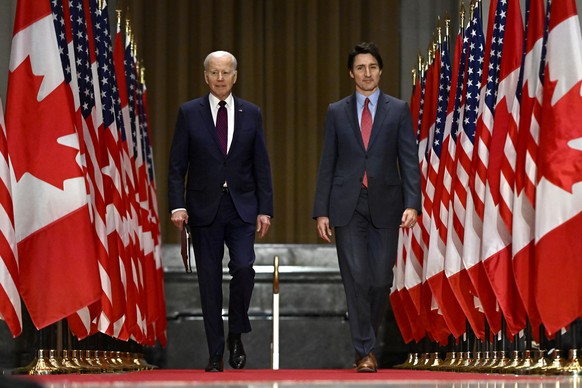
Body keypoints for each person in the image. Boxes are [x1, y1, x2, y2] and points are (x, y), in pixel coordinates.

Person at [312, 42, 421, 372]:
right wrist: (322, 210)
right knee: (355, 279)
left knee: (379, 280)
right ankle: (365, 351)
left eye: (372, 67)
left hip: (387, 206)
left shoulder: (398, 109)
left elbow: (408, 160)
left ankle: (368, 342)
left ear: (381, 70)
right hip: (347, 206)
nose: (367, 73)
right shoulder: (336, 111)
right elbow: (327, 163)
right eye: (360, 68)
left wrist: (413, 203)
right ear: (351, 73)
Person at [168, 50, 274, 372]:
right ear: (205, 76)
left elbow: (261, 165)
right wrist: (177, 205)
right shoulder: (189, 113)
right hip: (203, 210)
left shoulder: (251, 113)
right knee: (209, 283)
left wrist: (265, 209)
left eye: (226, 72)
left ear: (235, 76)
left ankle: (236, 333)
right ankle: (215, 352)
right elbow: (176, 166)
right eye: (214, 73)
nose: (220, 78)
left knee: (244, 268)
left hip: (242, 208)